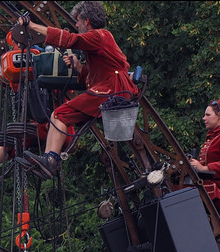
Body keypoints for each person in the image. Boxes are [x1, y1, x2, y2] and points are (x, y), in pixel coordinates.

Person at [22, 1, 138, 180]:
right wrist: (78, 66)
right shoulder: (100, 40)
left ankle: (51, 159)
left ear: (87, 21)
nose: (76, 25)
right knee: (57, 115)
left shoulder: (99, 35)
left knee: (61, 114)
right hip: (109, 89)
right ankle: (48, 159)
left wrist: (32, 26)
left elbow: (70, 39)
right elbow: (94, 77)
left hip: (111, 90)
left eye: (77, 21)